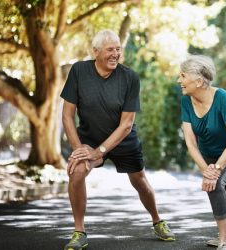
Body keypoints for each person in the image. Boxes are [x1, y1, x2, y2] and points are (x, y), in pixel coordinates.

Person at [61, 29, 175, 250]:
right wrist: (78, 150)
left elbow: (126, 125)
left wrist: (100, 151)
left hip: (123, 140)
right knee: (77, 171)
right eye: (110, 49)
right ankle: (79, 232)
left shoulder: (129, 77)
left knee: (140, 181)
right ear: (95, 52)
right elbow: (67, 115)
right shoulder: (79, 71)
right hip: (89, 138)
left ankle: (157, 220)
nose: (115, 54)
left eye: (118, 49)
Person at [178, 55, 226, 250]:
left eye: (183, 76)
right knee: (221, 183)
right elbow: (191, 142)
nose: (179, 81)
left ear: (199, 81)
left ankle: (225, 241)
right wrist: (206, 169)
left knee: (217, 183)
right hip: (209, 155)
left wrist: (216, 170)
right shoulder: (187, 101)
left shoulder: (222, 98)